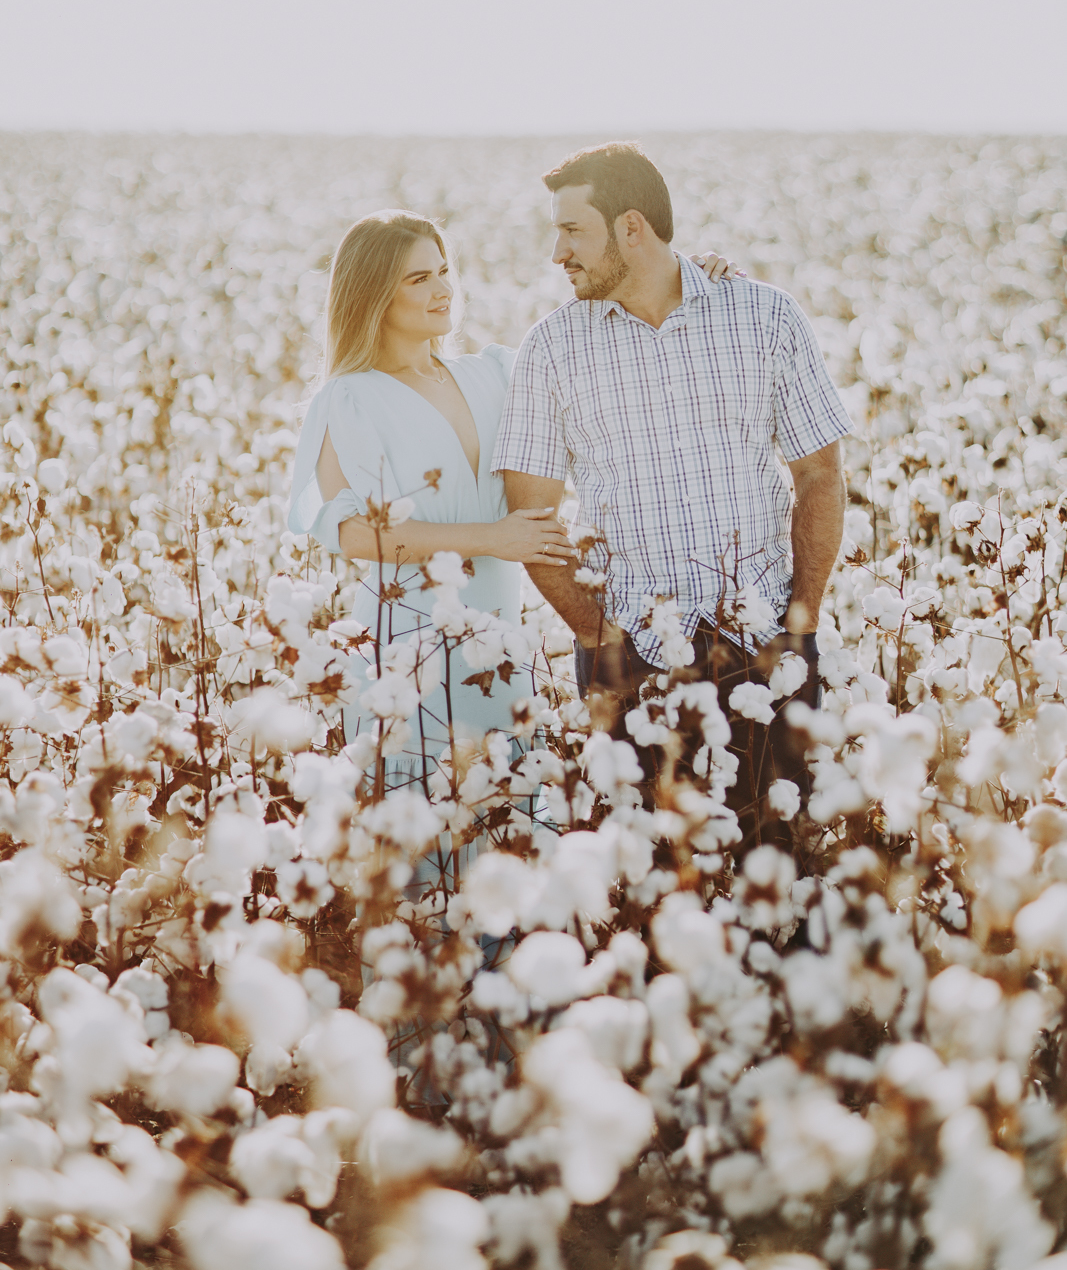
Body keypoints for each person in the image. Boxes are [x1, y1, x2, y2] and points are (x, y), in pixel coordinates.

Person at [492, 143, 854, 837]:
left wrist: (800, 622)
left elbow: (818, 474)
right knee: (651, 886)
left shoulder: (764, 316)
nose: (556, 253)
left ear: (631, 228)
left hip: (765, 644)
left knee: (778, 865)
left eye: (572, 232)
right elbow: (530, 516)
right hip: (626, 656)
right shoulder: (551, 348)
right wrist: (601, 637)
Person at [288, 210, 576, 779]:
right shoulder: (349, 398)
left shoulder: (495, 373)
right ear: (373, 295)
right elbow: (355, 535)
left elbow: (596, 366)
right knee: (419, 836)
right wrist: (494, 538)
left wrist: (697, 280)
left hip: (500, 644)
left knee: (505, 823)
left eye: (443, 271)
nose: (444, 289)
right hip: (406, 654)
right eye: (419, 279)